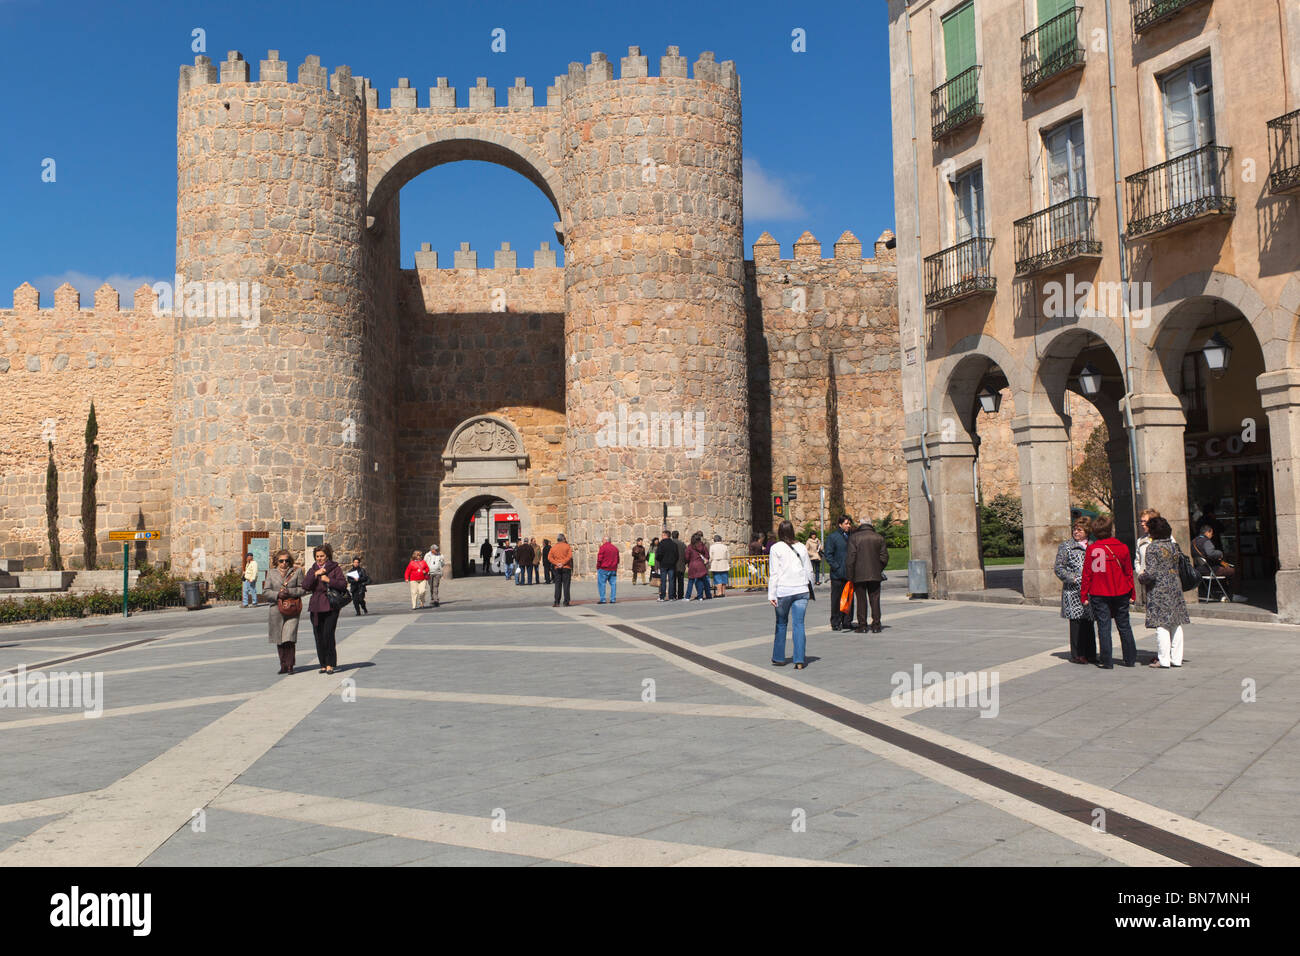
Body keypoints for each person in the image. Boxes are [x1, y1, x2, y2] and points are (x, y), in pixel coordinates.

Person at [1080, 515, 1137, 668]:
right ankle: (1130, 658)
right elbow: (1128, 573)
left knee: (1103, 626)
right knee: (1124, 625)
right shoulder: (1122, 547)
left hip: (1099, 591)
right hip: (1121, 590)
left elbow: (1087, 574)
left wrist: (1084, 594)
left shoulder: (1092, 549)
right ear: (1111, 529)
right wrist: (1133, 593)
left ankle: (1107, 660)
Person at [1138, 516, 1190, 668]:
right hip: (1174, 586)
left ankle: (1164, 659)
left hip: (1159, 589)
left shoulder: (1153, 548)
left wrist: (1142, 577)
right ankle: (1177, 658)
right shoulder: (1174, 546)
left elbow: (1152, 573)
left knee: (1161, 625)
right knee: (1175, 623)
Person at [768, 520, 815, 669]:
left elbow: (774, 573)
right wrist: (811, 588)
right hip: (801, 590)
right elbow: (809, 570)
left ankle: (779, 657)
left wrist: (772, 594)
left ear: (780, 532)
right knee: (799, 624)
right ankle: (799, 659)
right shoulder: (801, 547)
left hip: (784, 590)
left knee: (781, 623)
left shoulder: (776, 548)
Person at [1053, 517, 1095, 664]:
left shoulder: (1093, 546)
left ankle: (1091, 653)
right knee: (1076, 622)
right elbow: (1059, 568)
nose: (1076, 532)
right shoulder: (1066, 546)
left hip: (1090, 590)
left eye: (1080, 530)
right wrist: (1074, 578)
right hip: (1073, 591)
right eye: (1075, 529)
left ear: (1087, 531)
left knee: (1089, 622)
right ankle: (1077, 654)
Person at [304, 543, 347, 675]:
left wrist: (329, 580)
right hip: (316, 607)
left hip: (330, 606)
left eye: (322, 556)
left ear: (327, 556)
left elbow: (343, 584)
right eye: (317, 556)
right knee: (318, 636)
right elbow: (305, 585)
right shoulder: (313, 569)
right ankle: (322, 664)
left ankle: (330, 664)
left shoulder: (335, 568)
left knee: (328, 634)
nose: (319, 559)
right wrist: (315, 574)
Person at [264, 549, 304, 674]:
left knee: (289, 638)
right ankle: (283, 665)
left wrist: (290, 592)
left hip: (292, 609)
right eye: (281, 561)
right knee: (279, 639)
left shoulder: (297, 572)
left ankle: (290, 665)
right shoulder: (271, 573)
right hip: (276, 609)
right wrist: (278, 594)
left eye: (287, 560)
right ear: (277, 561)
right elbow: (266, 591)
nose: (284, 563)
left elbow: (303, 589)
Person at [845, 520, 889, 633]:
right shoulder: (879, 537)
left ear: (861, 524)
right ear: (871, 524)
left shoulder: (854, 538)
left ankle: (862, 625)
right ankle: (876, 625)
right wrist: (878, 568)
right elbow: (884, 557)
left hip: (858, 574)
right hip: (875, 574)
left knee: (861, 600)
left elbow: (851, 558)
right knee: (875, 599)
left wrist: (850, 575)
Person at [1193, 522, 1241, 602]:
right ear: (1207, 532)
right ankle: (1233, 594)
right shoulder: (1206, 541)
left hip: (1199, 569)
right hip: (1210, 570)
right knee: (1234, 571)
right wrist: (1220, 553)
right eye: (1211, 533)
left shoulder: (1194, 541)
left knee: (1225, 570)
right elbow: (1210, 553)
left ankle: (1224, 593)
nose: (1212, 535)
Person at [824, 515, 854, 631]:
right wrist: (836, 566)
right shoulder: (833, 537)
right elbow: (828, 554)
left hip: (849, 573)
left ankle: (847, 620)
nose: (848, 526)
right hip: (838, 575)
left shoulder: (851, 536)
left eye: (849, 523)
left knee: (849, 598)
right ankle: (835, 621)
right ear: (840, 524)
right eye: (846, 523)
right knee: (836, 599)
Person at [1134, 508, 1159, 606]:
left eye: (1145, 521)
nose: (1142, 524)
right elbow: (1137, 560)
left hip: (1163, 583)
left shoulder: (1166, 537)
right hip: (1148, 583)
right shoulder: (1140, 540)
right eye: (1141, 521)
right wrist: (1140, 572)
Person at [549, 533, 573, 606]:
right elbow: (569, 556)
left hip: (557, 568)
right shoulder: (567, 546)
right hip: (566, 567)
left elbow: (549, 558)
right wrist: (563, 563)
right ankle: (566, 602)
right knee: (566, 585)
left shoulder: (553, 547)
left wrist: (556, 563)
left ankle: (556, 601)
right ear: (563, 539)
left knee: (557, 585)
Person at [686, 531, 711, 600]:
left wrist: (688, 562)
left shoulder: (690, 547)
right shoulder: (703, 546)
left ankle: (687, 597)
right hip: (701, 565)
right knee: (700, 580)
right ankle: (700, 596)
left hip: (692, 565)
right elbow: (707, 555)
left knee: (691, 581)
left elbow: (687, 557)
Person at [596, 535, 620, 604]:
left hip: (604, 568)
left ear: (606, 540)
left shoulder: (603, 547)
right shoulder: (615, 548)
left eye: (603, 540)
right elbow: (618, 559)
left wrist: (598, 567)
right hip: (613, 569)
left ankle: (603, 599)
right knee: (613, 584)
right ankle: (613, 599)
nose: (602, 541)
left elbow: (600, 558)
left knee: (602, 584)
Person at [656, 531, 677, 602]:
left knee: (663, 581)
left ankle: (662, 597)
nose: (661, 536)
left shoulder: (661, 544)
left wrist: (659, 560)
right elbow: (677, 555)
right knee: (671, 581)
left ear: (665, 535)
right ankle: (671, 596)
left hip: (663, 564)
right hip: (671, 564)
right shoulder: (674, 544)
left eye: (662, 535)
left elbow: (658, 554)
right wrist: (673, 561)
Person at [672, 530, 687, 601]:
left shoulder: (670, 543)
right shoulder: (682, 544)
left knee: (673, 581)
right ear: (678, 535)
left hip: (672, 565)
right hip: (681, 565)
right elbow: (686, 555)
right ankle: (680, 595)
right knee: (681, 581)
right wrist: (685, 562)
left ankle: (673, 595)